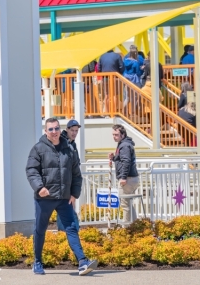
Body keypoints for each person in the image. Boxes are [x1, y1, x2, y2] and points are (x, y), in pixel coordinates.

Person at [25, 118, 96, 276]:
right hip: (45, 198)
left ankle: (83, 261)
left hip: (64, 198)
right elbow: (31, 171)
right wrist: (39, 187)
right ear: (46, 131)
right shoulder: (38, 149)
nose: (54, 132)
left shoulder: (68, 149)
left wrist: (74, 194)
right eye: (51, 129)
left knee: (71, 228)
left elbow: (76, 174)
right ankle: (37, 261)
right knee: (40, 229)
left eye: (56, 128)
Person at [109, 124, 140, 219]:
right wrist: (114, 158)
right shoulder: (124, 144)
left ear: (123, 135)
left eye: (116, 134)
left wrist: (123, 177)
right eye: (113, 134)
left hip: (128, 179)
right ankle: (134, 226)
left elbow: (126, 161)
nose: (114, 137)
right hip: (132, 178)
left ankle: (126, 229)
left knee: (125, 205)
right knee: (128, 204)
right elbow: (123, 160)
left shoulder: (124, 145)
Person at [56, 120, 82, 233]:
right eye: (72, 130)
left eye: (76, 131)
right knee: (65, 209)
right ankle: (69, 231)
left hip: (70, 181)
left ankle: (67, 232)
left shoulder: (73, 144)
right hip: (62, 182)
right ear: (67, 129)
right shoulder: (62, 142)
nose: (74, 133)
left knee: (68, 208)